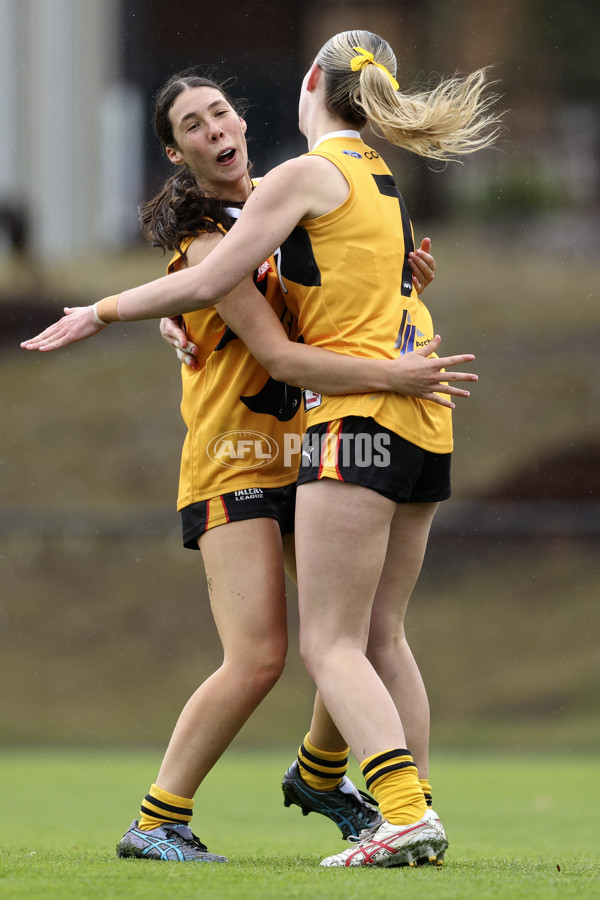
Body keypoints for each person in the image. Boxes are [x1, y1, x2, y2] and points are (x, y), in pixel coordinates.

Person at [22, 30, 499, 867]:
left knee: (349, 634)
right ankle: (158, 817)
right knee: (265, 657)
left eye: (220, 112)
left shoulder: (293, 209)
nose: (215, 129)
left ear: (242, 117)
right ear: (178, 152)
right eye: (194, 126)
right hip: (239, 457)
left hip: (317, 448)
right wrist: (121, 309)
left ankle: (337, 778)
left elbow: (330, 295)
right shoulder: (213, 241)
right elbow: (273, 351)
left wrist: (399, 286)